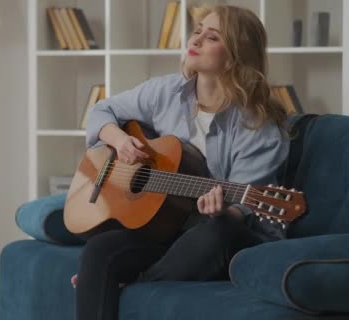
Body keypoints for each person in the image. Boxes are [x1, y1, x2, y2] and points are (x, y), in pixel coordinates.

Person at [73, 5, 289, 320]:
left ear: (234, 56)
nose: (197, 39)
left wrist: (223, 208)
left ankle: (136, 283)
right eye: (198, 29)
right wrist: (119, 141)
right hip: (166, 227)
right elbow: (101, 111)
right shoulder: (166, 91)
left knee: (218, 230)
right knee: (100, 249)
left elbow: (246, 206)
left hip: (223, 234)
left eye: (212, 36)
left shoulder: (259, 127)